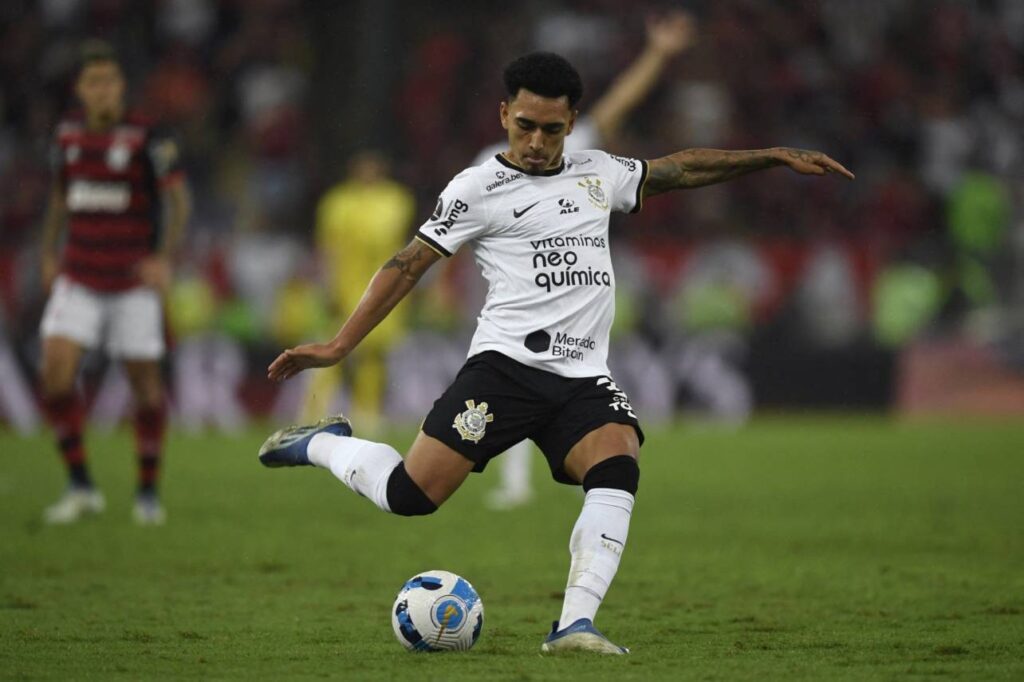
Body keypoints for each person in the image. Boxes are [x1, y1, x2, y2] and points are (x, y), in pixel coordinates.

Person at [259, 52, 852, 653]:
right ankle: (323, 442)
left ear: (573, 121)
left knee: (618, 463)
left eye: (551, 128)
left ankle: (573, 624)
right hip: (504, 371)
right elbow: (407, 263)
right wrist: (338, 346)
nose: (537, 141)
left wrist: (772, 156)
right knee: (411, 497)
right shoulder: (476, 189)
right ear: (503, 115)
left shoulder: (599, 172)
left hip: (582, 377)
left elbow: (679, 170)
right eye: (524, 125)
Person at [476, 10, 697, 510]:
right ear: (506, 112)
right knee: (513, 374)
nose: (538, 139)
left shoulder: (573, 154)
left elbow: (616, 107)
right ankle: (514, 478)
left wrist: (658, 53)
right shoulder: (483, 168)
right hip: (510, 296)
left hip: (573, 293)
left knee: (554, 377)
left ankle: (529, 476)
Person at [38, 41, 191, 525]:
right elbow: (61, 199)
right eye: (93, 82)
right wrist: (47, 252)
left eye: (110, 81)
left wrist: (163, 259)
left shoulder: (148, 136)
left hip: (132, 282)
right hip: (80, 274)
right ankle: (81, 485)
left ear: (121, 87)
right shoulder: (66, 137)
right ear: (81, 89)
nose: (102, 90)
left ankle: (147, 492)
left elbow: (179, 200)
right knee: (55, 375)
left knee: (145, 387)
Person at [300, 151, 416, 433]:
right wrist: (326, 286)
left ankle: (366, 413)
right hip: (344, 288)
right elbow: (327, 249)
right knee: (331, 349)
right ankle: (312, 411)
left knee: (374, 354)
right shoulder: (337, 202)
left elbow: (401, 244)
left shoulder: (396, 200)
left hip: (385, 289)